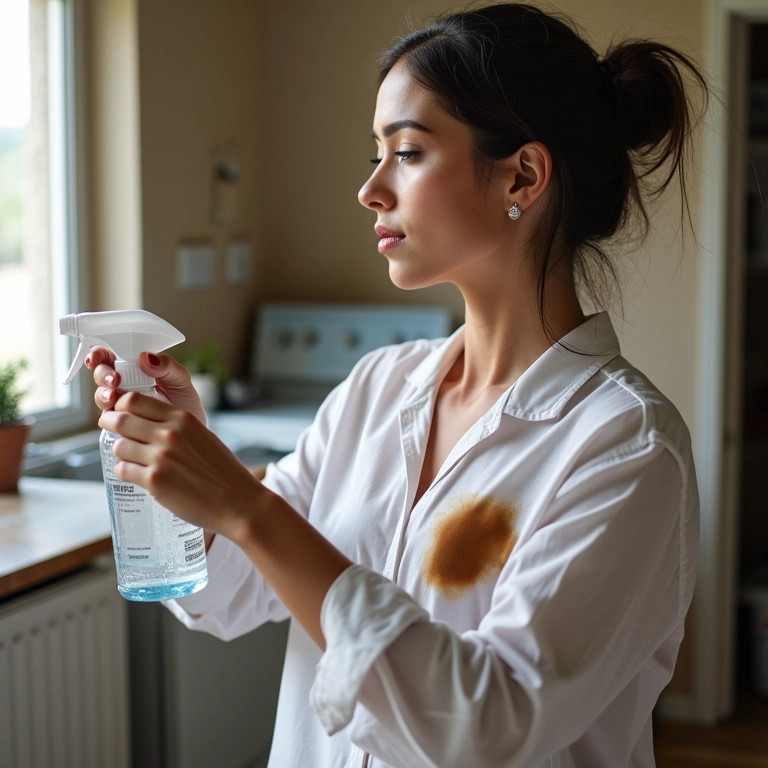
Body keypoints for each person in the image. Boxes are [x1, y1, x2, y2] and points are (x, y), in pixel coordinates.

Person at [86, 3, 707, 766]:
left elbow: (487, 725)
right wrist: (185, 465)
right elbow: (224, 595)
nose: (370, 190)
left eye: (407, 153)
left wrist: (246, 506)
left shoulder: (628, 449)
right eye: (373, 153)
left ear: (523, 173)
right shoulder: (378, 388)